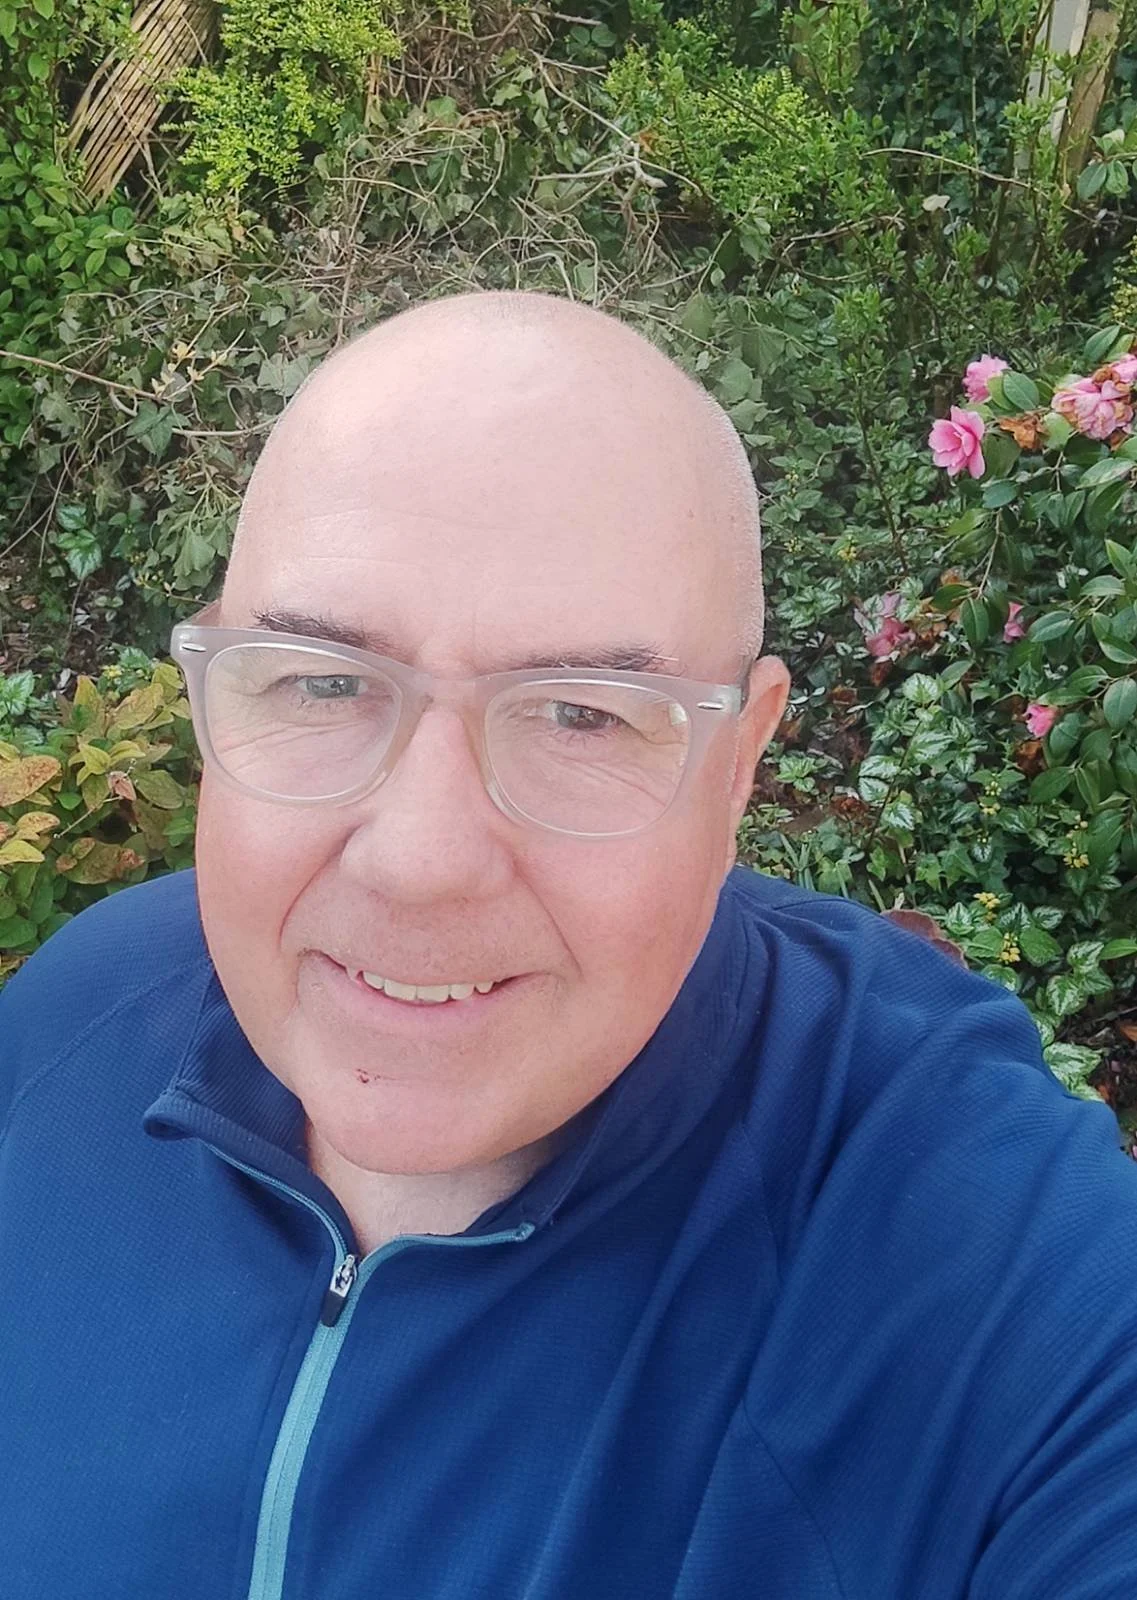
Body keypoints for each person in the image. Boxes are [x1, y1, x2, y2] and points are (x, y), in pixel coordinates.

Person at [3, 291, 1137, 1600]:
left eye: (585, 716)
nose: (420, 860)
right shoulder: (66, 1033)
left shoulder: (986, 1268)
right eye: (320, 681)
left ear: (738, 764)